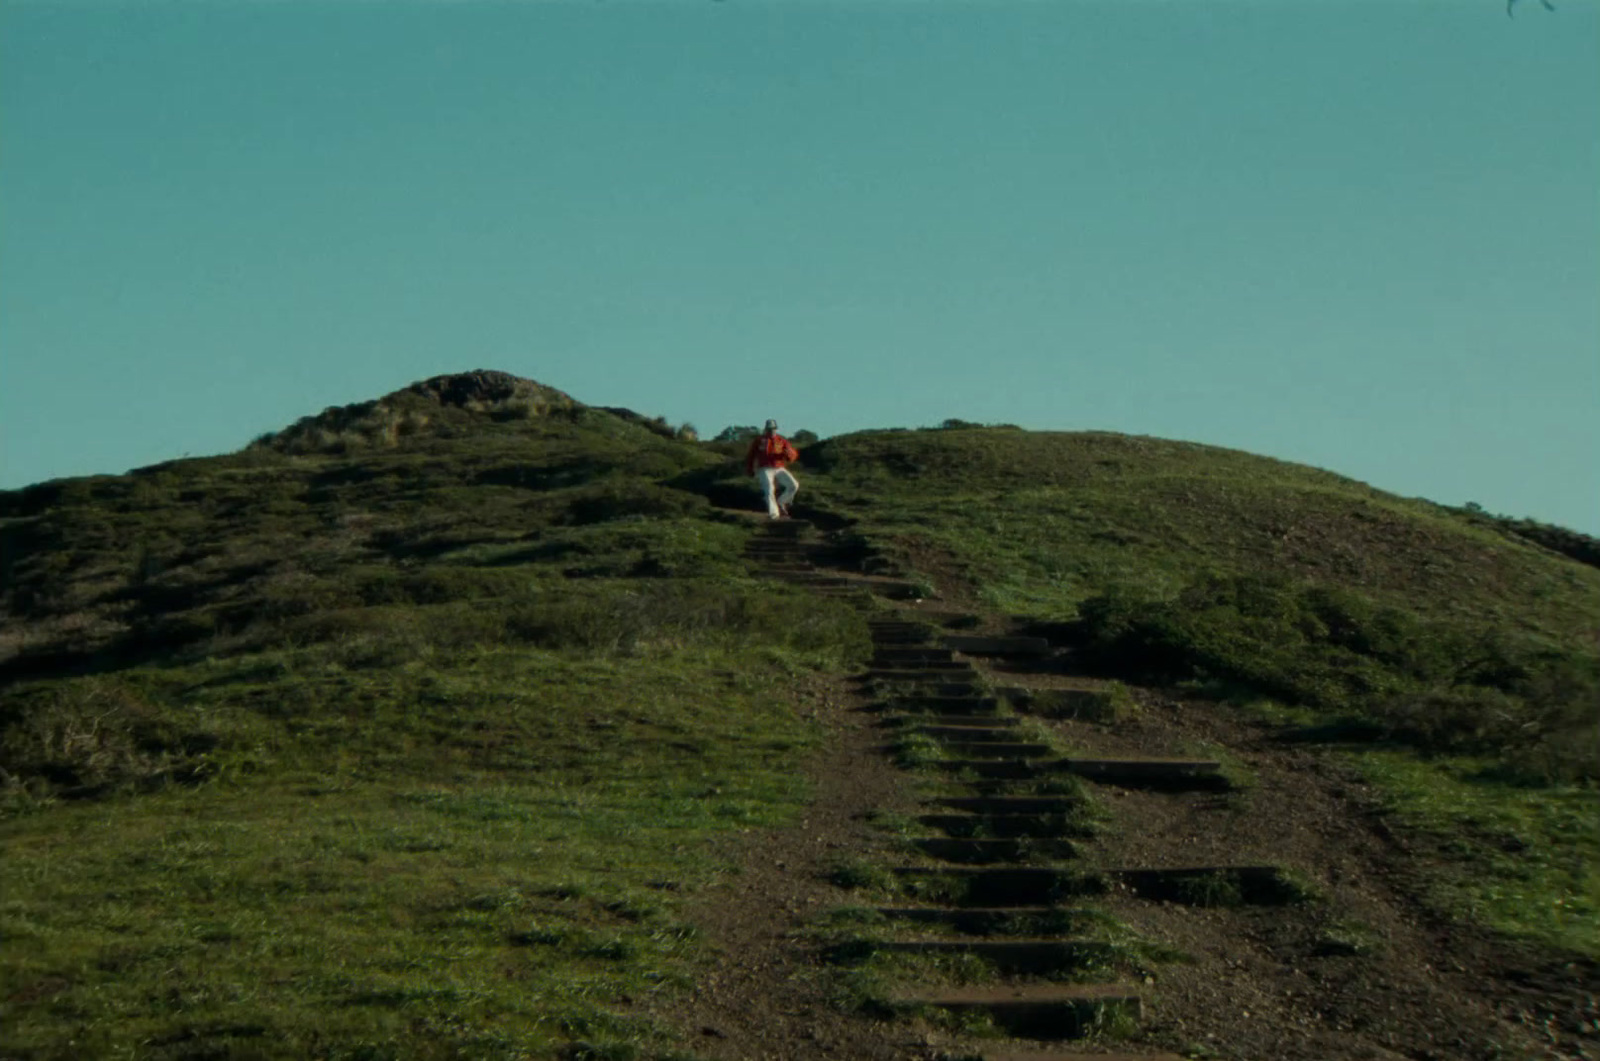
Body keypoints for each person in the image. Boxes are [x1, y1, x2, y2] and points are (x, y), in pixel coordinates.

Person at [744, 419, 799, 519]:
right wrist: (750, 468)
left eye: (773, 429)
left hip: (779, 467)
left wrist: (789, 455)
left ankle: (782, 502)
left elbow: (792, 455)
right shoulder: (759, 440)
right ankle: (774, 514)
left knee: (794, 485)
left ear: (776, 429)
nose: (771, 431)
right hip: (764, 468)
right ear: (766, 429)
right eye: (769, 429)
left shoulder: (782, 441)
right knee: (769, 489)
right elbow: (751, 455)